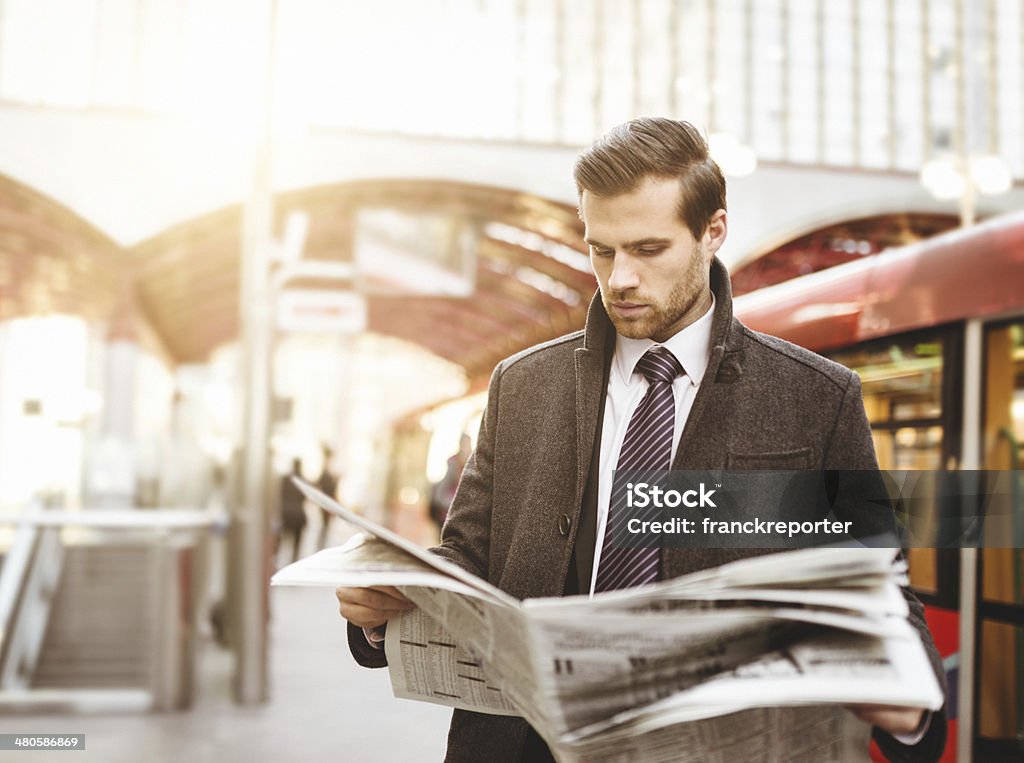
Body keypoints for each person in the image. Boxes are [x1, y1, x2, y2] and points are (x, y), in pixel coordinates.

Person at [336, 118, 947, 762]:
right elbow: (470, 557)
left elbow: (885, 591)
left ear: (713, 232)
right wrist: (387, 600)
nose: (619, 277)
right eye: (602, 250)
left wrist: (909, 707)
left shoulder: (816, 399)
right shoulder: (522, 386)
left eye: (648, 249)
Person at [428, 433, 472, 533]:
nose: (468, 448)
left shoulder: (471, 465)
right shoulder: (453, 464)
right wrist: (453, 506)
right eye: (466, 445)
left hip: (461, 515)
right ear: (461, 446)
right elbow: (441, 495)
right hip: (448, 515)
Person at [279, 457, 307, 564]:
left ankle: (281, 560)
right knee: (296, 543)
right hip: (298, 515)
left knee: (283, 540)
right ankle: (293, 560)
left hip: (286, 514)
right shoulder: (302, 480)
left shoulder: (286, 479)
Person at [317, 446, 339, 550]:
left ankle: (322, 544)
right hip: (325, 502)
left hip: (327, 502)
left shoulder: (328, 470)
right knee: (324, 525)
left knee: (325, 526)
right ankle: (321, 544)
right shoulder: (326, 472)